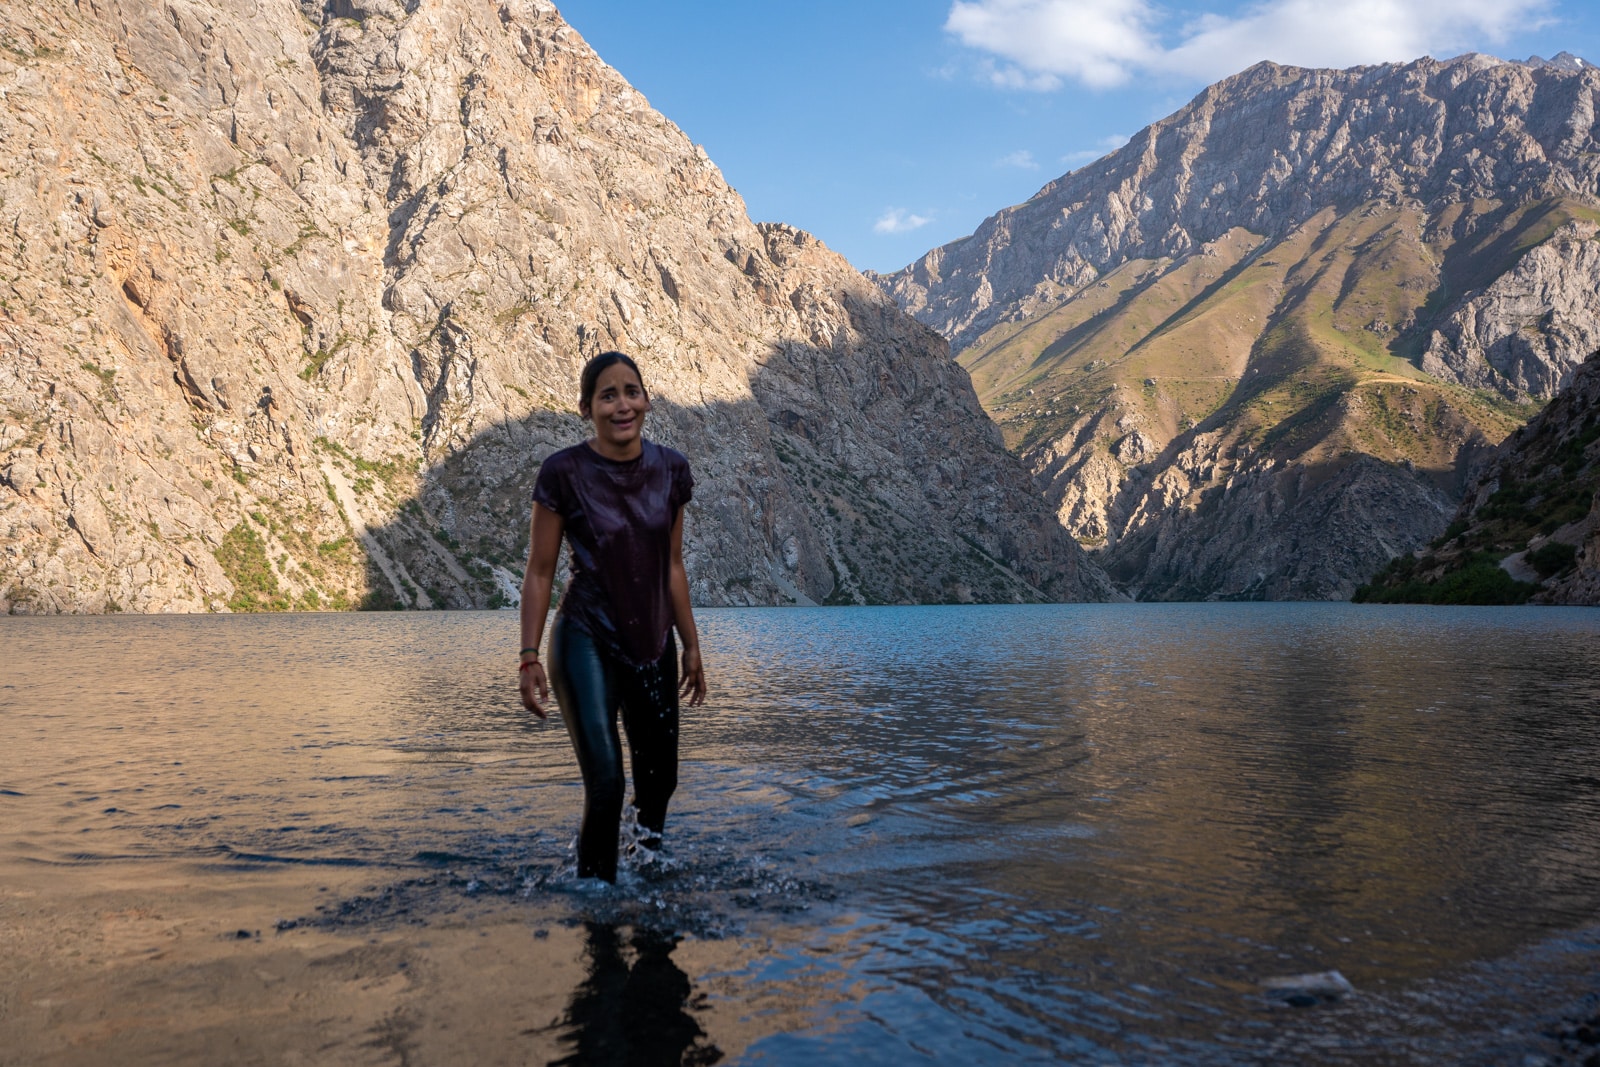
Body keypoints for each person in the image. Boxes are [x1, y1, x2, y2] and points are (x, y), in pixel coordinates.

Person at [518, 351, 707, 883]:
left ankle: (644, 881)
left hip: (653, 641)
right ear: (586, 408)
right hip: (586, 637)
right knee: (607, 783)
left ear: (646, 400)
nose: (622, 405)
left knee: (659, 783)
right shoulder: (563, 472)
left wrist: (690, 645)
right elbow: (539, 571)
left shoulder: (671, 470)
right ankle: (595, 905)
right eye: (608, 395)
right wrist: (528, 656)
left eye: (631, 391)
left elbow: (672, 565)